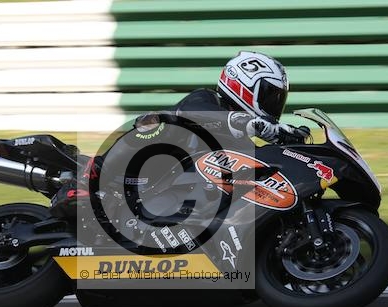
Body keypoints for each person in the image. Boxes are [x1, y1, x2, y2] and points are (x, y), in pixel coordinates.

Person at [50, 51, 310, 219]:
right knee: (161, 123)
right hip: (137, 177)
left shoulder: (242, 141)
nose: (274, 104)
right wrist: (260, 126)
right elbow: (208, 116)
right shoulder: (205, 100)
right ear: (243, 84)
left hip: (173, 199)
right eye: (269, 95)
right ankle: (89, 178)